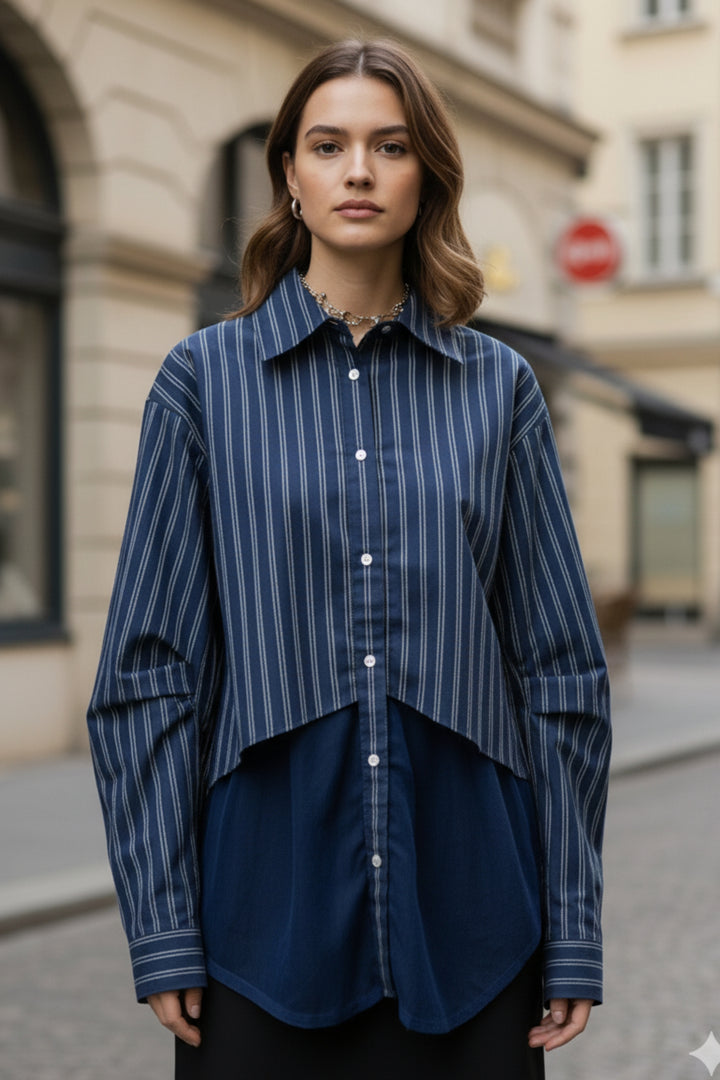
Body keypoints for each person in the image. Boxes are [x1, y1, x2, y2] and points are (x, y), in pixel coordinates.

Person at [87, 38, 611, 1080]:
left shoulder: (498, 390)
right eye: (329, 145)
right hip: (258, 927)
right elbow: (149, 675)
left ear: (429, 177)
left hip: (475, 926)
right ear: (290, 171)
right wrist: (162, 926)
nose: (359, 172)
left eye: (391, 146)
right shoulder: (204, 383)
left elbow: (559, 675)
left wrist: (572, 925)